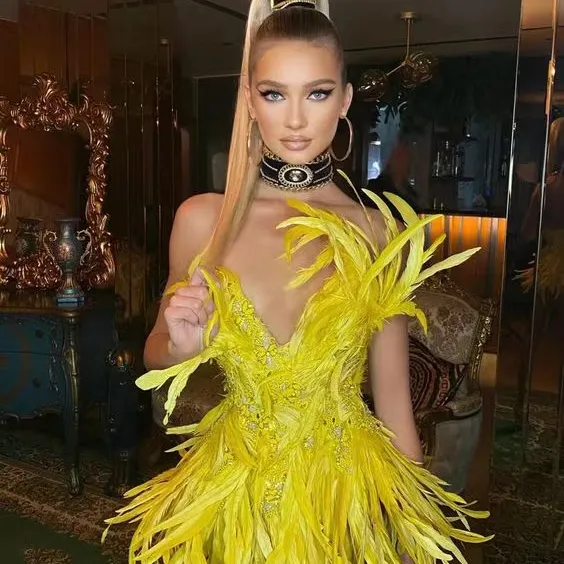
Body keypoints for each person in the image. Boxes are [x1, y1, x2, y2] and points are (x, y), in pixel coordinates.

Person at [105, 1, 490, 561]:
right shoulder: (202, 220)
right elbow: (155, 353)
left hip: (342, 497)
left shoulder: (377, 230)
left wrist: (413, 530)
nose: (294, 119)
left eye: (316, 93)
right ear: (250, 101)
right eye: (273, 93)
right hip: (231, 492)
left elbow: (392, 404)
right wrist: (180, 347)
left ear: (345, 101)